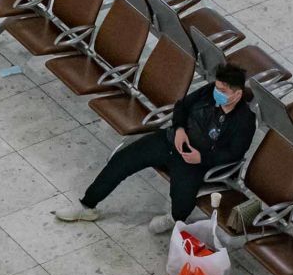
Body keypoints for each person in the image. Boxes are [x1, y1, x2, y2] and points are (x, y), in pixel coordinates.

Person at [55, 65, 255, 232]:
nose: (217, 93)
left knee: (183, 202)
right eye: (217, 87)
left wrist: (201, 158)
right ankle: (87, 206)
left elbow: (234, 154)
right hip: (170, 141)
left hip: (192, 160)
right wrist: (179, 129)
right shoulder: (208, 92)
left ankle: (173, 217)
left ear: (237, 94)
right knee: (121, 161)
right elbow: (182, 107)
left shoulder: (244, 121)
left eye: (223, 91)